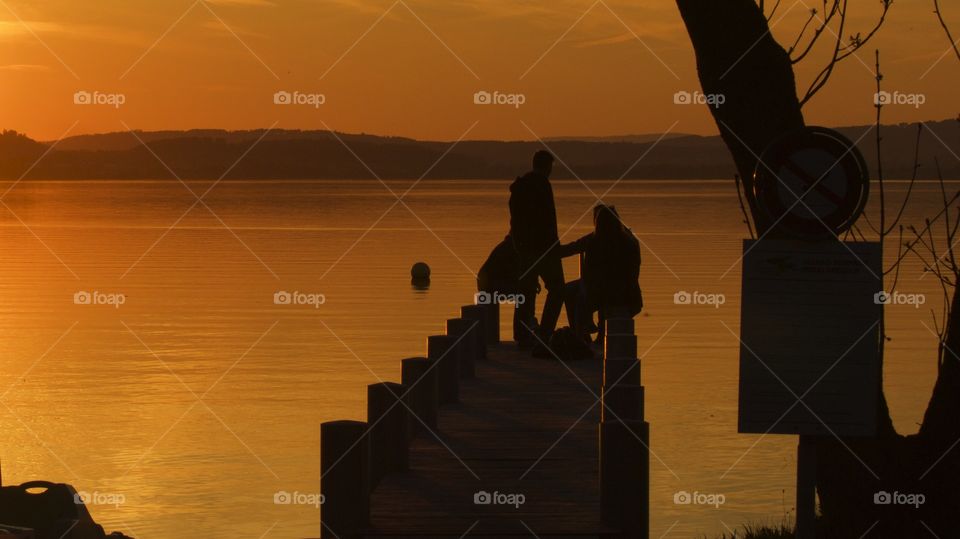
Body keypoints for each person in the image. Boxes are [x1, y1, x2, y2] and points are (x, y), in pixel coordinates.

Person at [558, 204, 642, 346]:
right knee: (575, 290)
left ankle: (581, 334)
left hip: (612, 293)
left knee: (578, 294)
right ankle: (587, 332)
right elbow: (634, 272)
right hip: (627, 293)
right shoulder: (630, 241)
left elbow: (574, 254)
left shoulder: (594, 240)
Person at [509, 150, 564, 355]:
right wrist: (554, 245)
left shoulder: (519, 187)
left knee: (526, 292)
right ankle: (545, 332)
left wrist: (518, 246)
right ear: (547, 166)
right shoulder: (543, 185)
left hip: (524, 248)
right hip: (544, 248)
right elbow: (549, 219)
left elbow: (514, 222)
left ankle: (521, 334)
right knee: (558, 289)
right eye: (550, 167)